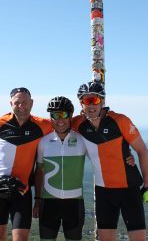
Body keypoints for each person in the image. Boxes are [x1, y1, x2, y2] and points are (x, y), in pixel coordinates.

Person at [33, 96, 136, 240]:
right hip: (48, 203)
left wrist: (127, 154)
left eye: (64, 115)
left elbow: (104, 154)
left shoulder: (82, 139)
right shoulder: (44, 142)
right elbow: (39, 171)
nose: (60, 120)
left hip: (74, 204)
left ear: (71, 116)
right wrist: (37, 200)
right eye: (55, 115)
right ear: (50, 117)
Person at [72, 82, 148, 241]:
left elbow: (142, 150)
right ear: (80, 103)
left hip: (129, 189)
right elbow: (56, 124)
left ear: (102, 102)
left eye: (94, 100)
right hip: (103, 192)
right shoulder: (78, 124)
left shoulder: (120, 121)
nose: (90, 105)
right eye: (86, 101)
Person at [0, 87, 52, 241]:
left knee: (20, 238)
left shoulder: (42, 125)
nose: (21, 106)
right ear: (10, 104)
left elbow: (64, 123)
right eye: (17, 103)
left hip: (22, 191)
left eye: (25, 102)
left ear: (32, 103)